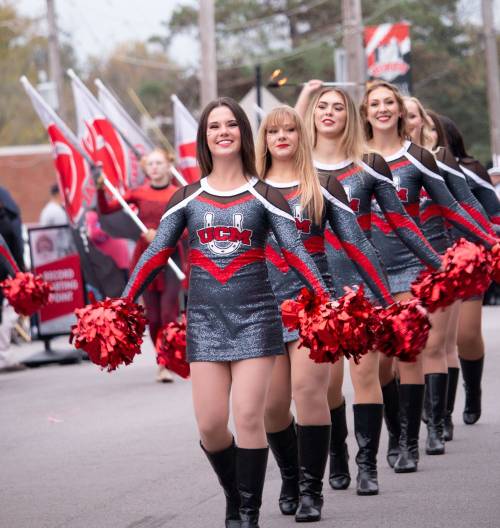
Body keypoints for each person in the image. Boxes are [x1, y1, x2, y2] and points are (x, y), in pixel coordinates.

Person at [121, 97, 332, 528]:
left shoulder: (265, 194)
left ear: (242, 134)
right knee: (212, 426)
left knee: (249, 416)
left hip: (257, 318)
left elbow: (295, 251)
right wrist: (122, 303)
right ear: (204, 137)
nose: (222, 132)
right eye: (214, 126)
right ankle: (235, 495)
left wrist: (327, 299)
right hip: (205, 322)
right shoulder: (187, 197)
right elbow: (157, 252)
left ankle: (246, 516)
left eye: (231, 125)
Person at [295, 81, 441, 481]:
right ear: (313, 115)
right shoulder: (297, 167)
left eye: (337, 107)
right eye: (321, 106)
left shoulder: (370, 164)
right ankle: (338, 453)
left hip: (362, 282)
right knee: (326, 383)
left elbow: (401, 222)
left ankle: (367, 466)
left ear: (348, 117)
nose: (329, 113)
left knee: (368, 373)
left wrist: (436, 261)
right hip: (316, 285)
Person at [256, 106, 393, 510]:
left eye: (290, 130)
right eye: (273, 131)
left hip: (314, 308)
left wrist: (386, 303)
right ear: (263, 140)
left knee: (308, 391)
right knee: (273, 406)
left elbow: (358, 245)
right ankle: (291, 478)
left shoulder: (323, 186)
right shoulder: (250, 190)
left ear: (303, 136)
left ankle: (311, 493)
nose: (282, 137)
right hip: (262, 309)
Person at [359, 80, 495, 472]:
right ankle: (396, 428)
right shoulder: (357, 159)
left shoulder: (419, 157)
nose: (383, 109)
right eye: (375, 104)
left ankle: (420, 435)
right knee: (381, 363)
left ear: (401, 111)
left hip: (416, 266)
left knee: (416, 350)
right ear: (365, 113)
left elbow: (455, 204)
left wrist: (488, 240)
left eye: (390, 102)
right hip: (372, 273)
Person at [97, 148, 181, 383]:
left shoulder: (179, 193)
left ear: (168, 166)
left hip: (172, 258)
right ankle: (162, 359)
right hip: (145, 256)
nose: (154, 168)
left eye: (159, 163)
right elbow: (106, 209)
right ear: (145, 168)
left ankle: (166, 361)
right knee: (153, 318)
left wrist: (165, 235)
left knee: (168, 313)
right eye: (150, 164)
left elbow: (187, 227)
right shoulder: (139, 192)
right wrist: (100, 188)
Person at [440, 115, 500, 426]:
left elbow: (494, 212)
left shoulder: (469, 170)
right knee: (436, 342)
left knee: (466, 334)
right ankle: (441, 413)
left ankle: (472, 389)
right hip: (426, 262)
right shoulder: (404, 167)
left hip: (468, 260)